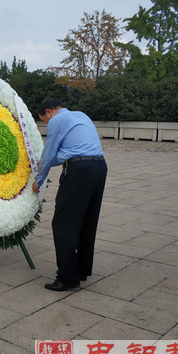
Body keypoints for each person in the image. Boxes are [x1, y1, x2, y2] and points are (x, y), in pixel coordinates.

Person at [32, 98, 108, 291]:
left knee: (62, 223)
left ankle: (67, 277)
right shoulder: (81, 115)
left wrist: (38, 180)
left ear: (49, 112)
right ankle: (81, 270)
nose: (48, 124)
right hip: (99, 167)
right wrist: (48, 163)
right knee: (87, 220)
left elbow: (49, 153)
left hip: (79, 172)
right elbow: (69, 151)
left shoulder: (57, 120)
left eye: (45, 121)